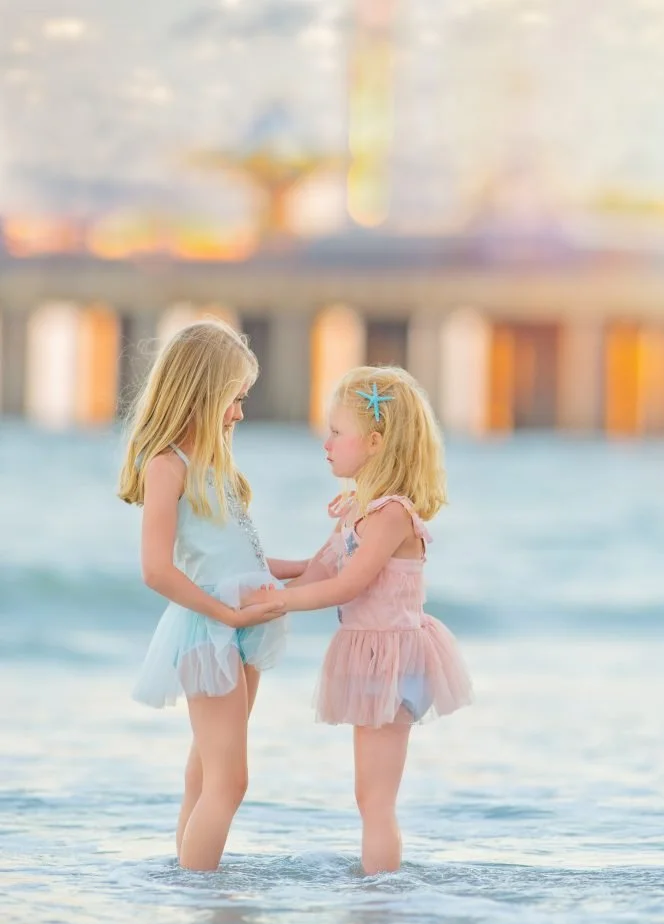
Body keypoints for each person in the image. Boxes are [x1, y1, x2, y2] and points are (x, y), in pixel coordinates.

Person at [249, 365, 473, 874]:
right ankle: (377, 893)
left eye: (335, 432)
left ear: (374, 441)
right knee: (366, 794)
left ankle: (379, 904)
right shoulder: (356, 509)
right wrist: (255, 579)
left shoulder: (392, 514)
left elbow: (350, 584)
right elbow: (319, 569)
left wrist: (279, 604)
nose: (325, 443)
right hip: (372, 657)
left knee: (376, 801)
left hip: (393, 658)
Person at [118, 320, 301, 871]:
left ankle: (187, 887)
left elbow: (242, 558)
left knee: (205, 773)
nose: (239, 413)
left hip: (244, 622)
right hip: (210, 629)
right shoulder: (167, 465)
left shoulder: (217, 467)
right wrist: (226, 614)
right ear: (202, 392)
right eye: (234, 399)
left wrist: (312, 566)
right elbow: (157, 570)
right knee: (231, 780)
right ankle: (203, 895)